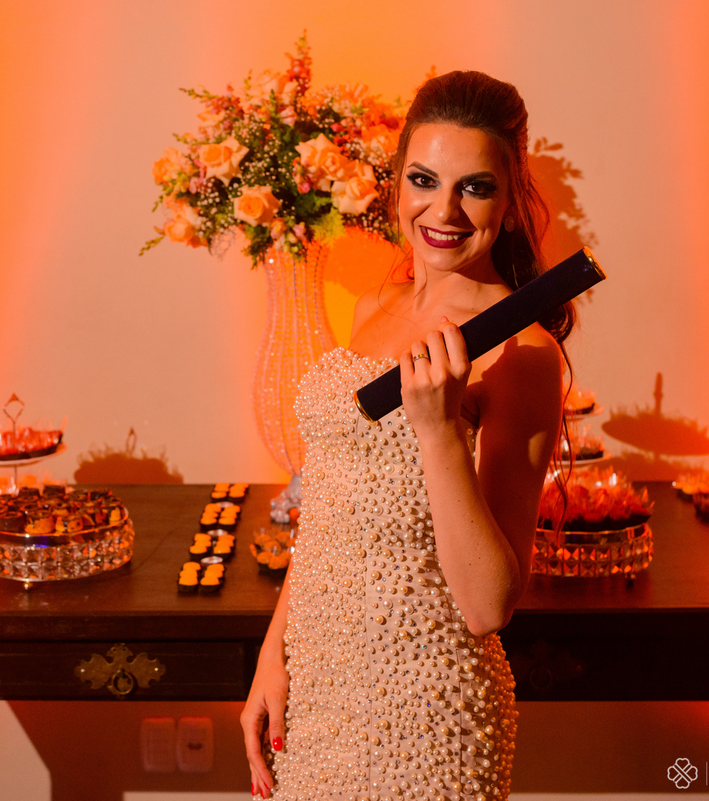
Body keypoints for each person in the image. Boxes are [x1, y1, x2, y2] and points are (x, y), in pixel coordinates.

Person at [241, 70, 574, 801]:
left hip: (427, 714)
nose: (444, 209)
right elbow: (330, 508)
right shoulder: (374, 304)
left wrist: (438, 435)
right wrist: (275, 654)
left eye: (475, 187)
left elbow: (489, 605)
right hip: (321, 687)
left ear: (512, 200)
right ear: (395, 184)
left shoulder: (520, 352)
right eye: (424, 179)